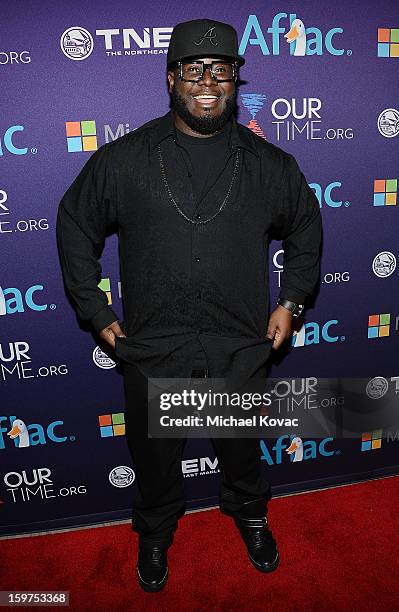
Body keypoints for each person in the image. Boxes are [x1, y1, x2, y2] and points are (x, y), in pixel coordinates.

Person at [56, 18, 322, 593]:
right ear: (172, 78)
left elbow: (305, 226)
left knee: (243, 455)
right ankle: (155, 533)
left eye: (220, 69)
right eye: (194, 69)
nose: (207, 81)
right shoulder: (125, 159)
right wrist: (97, 312)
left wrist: (293, 300)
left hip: (239, 345)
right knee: (154, 464)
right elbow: (75, 224)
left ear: (235, 80)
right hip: (154, 347)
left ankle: (250, 517)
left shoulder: (269, 165)